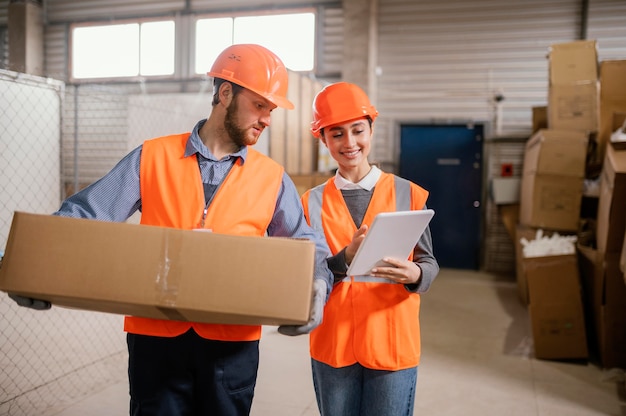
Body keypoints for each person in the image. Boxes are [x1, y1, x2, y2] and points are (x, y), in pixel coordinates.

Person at [9, 43, 333, 416]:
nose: (267, 119)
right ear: (225, 93)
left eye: (271, 110)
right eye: (260, 105)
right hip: (156, 339)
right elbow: (84, 215)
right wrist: (27, 266)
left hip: (233, 343)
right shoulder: (152, 157)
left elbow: (306, 244)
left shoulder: (271, 178)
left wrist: (317, 286)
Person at [299, 82, 439, 416]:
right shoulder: (311, 202)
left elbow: (429, 264)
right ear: (322, 139)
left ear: (372, 129)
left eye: (358, 130)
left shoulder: (407, 194)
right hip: (334, 343)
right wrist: (344, 259)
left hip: (391, 340)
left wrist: (416, 273)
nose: (349, 143)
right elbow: (303, 274)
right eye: (336, 134)